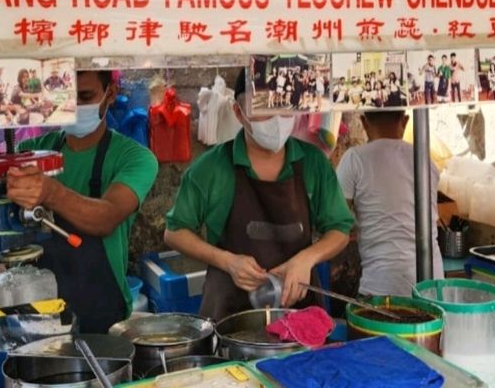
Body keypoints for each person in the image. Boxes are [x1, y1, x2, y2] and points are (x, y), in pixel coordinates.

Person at [164, 69, 353, 321]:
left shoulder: (313, 163)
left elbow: (340, 229)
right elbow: (174, 232)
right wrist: (228, 261)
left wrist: (307, 259)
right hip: (230, 314)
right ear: (238, 113)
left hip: (298, 309)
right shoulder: (211, 168)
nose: (275, 118)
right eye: (262, 108)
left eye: (283, 105)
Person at [6, 70, 158, 333]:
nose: (73, 107)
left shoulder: (135, 158)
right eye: (64, 97)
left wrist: (51, 193)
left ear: (110, 94)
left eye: (84, 96)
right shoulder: (30, 154)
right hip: (34, 313)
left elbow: (107, 217)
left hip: (100, 313)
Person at [336, 110, 444, 297]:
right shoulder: (425, 159)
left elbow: (337, 218)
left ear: (363, 122)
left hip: (382, 286)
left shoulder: (355, 158)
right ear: (405, 120)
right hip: (433, 281)